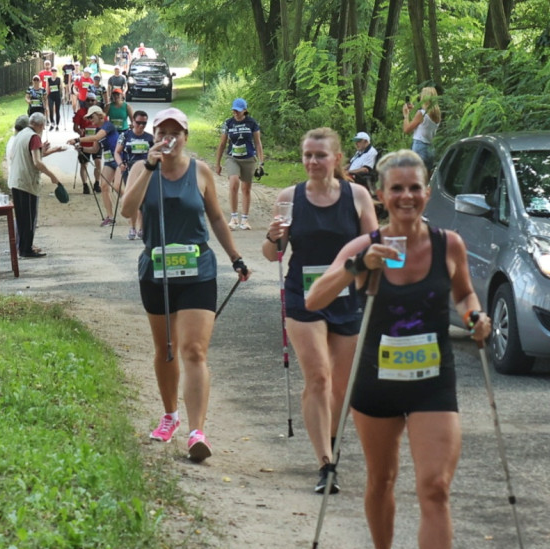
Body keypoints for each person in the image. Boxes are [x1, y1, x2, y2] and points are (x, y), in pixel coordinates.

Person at [305, 149, 492, 549]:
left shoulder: (449, 244)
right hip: (377, 381)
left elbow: (465, 294)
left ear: (427, 194)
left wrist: (475, 316)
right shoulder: (364, 246)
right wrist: (357, 267)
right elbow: (313, 298)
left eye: (415, 188)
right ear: (382, 195)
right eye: (397, 189)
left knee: (435, 485)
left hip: (433, 381)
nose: (407, 196)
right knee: (381, 480)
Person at [120, 107, 250, 462]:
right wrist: (148, 166)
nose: (169, 138)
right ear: (155, 134)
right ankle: (170, 416)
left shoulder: (200, 171)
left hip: (198, 270)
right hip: (156, 270)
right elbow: (127, 209)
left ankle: (197, 432)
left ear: (186, 137)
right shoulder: (140, 168)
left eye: (176, 132)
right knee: (167, 348)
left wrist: (235, 257)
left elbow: (218, 218)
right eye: (163, 131)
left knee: (194, 350)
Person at [261, 128, 378, 493]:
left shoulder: (358, 196)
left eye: (320, 155)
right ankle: (325, 463)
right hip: (303, 296)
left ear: (337, 159)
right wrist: (272, 236)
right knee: (319, 377)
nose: (312, 162)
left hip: (347, 297)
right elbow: (272, 255)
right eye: (307, 155)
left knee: (342, 387)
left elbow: (373, 251)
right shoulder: (289, 197)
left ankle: (331, 440)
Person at [9, 112, 65, 259]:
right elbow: (37, 162)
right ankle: (26, 249)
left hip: (15, 181)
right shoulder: (33, 137)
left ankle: (23, 247)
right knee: (28, 217)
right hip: (26, 182)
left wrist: (46, 150)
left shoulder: (21, 134)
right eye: (43, 126)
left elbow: (32, 156)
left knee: (21, 217)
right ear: (40, 125)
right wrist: (53, 176)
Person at [214, 98, 264, 230]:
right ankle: (234, 217)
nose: (235, 112)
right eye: (234, 110)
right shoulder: (228, 123)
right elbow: (222, 144)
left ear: (245, 111)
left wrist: (261, 162)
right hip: (233, 158)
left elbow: (258, 143)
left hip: (248, 158)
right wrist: (218, 163)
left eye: (238, 110)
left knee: (246, 189)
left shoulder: (252, 123)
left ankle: (245, 220)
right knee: (234, 183)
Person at [114, 110, 153, 240]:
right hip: (129, 171)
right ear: (133, 122)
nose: (141, 126)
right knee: (132, 198)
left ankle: (141, 228)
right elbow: (117, 152)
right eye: (138, 123)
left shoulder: (150, 138)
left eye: (144, 123)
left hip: (145, 171)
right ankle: (132, 228)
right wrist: (120, 164)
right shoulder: (125, 136)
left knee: (143, 199)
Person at [71, 105, 118, 214]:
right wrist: (82, 148)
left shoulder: (108, 125)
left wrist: (77, 139)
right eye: (88, 118)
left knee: (118, 187)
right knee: (104, 187)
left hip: (119, 159)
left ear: (99, 115)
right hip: (109, 161)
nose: (90, 120)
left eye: (91, 117)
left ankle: (137, 210)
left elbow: (96, 138)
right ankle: (110, 217)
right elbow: (94, 148)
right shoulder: (98, 129)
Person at [402, 86, 442, 170]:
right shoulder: (437, 115)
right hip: (430, 148)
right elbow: (423, 123)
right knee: (426, 178)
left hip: (419, 146)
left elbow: (406, 130)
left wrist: (406, 115)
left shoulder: (421, 114)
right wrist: (414, 109)